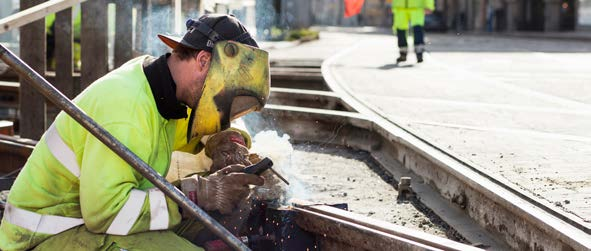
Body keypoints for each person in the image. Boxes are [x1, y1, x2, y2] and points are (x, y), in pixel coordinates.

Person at [0, 14, 270, 250]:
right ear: (202, 60)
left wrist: (230, 142)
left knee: (219, 220)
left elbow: (198, 130)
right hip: (48, 234)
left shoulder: (164, 92)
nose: (223, 112)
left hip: (88, 219)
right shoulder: (126, 109)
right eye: (226, 97)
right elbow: (105, 214)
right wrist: (198, 195)